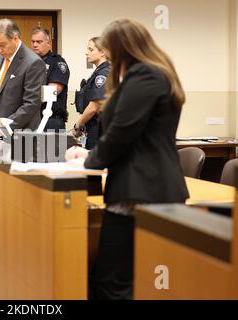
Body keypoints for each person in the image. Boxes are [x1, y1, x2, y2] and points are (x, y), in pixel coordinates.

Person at [66, 18, 189, 300]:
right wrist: (90, 153)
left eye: (110, 50)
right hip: (139, 187)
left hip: (143, 191)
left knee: (114, 281)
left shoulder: (146, 76)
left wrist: (89, 161)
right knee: (118, 277)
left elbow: (123, 131)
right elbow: (131, 134)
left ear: (124, 47)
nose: (107, 55)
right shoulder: (146, 74)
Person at [72, 37, 110, 149]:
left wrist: (78, 124)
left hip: (99, 128)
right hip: (93, 127)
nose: (86, 53)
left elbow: (94, 106)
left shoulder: (103, 73)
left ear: (102, 52)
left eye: (91, 49)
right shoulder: (97, 72)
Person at [31, 27, 70, 131]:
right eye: (33, 41)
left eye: (39, 42)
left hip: (51, 120)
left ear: (48, 43)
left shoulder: (57, 62)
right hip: (32, 119)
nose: (35, 45)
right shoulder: (29, 63)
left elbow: (52, 91)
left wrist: (26, 97)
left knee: (53, 148)